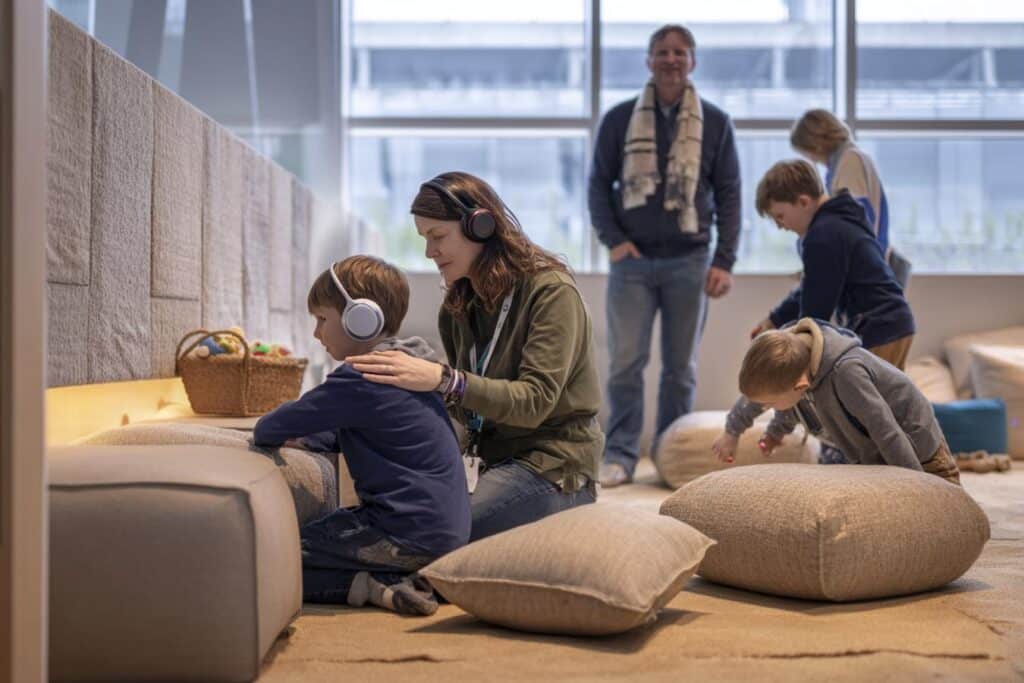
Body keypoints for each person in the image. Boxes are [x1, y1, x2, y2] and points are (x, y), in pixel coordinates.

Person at [346, 171, 602, 542]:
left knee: (433, 531)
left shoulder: (551, 293)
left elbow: (534, 401)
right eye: (424, 239)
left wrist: (444, 379)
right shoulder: (457, 307)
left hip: (552, 466)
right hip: (491, 463)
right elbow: (467, 408)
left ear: (480, 226)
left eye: (438, 237)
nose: (429, 252)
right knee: (394, 512)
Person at [252, 255, 471, 616]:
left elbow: (270, 428)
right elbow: (361, 431)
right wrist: (312, 440)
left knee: (271, 559)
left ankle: (373, 586)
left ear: (361, 320)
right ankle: (400, 583)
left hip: (400, 530)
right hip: (442, 533)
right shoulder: (411, 368)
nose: (316, 332)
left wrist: (290, 432)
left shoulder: (361, 376)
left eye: (322, 319)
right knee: (321, 539)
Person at [588, 23, 741, 488]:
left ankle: (672, 457)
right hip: (631, 263)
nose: (671, 60)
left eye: (680, 52)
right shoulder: (618, 119)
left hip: (690, 261)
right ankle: (619, 455)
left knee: (680, 369)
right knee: (625, 364)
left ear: (692, 61)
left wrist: (724, 260)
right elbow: (598, 185)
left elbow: (730, 194)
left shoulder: (715, 122)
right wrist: (613, 240)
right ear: (649, 61)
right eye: (662, 52)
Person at [711, 318, 960, 486]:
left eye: (771, 405)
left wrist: (915, 486)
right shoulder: (793, 362)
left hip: (916, 449)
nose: (770, 409)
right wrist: (736, 432)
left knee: (948, 518)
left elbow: (886, 431)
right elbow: (781, 401)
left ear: (801, 385)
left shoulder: (847, 373)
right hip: (869, 454)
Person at [749, 159, 915, 371]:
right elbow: (814, 286)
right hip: (893, 322)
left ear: (803, 202)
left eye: (780, 217)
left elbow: (816, 310)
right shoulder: (839, 220)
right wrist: (776, 319)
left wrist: (793, 347)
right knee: (883, 399)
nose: (781, 227)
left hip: (879, 327)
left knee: (866, 401)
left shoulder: (823, 236)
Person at [790, 108, 910, 287]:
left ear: (816, 145)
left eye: (807, 152)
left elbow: (853, 218)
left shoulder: (850, 161)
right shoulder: (848, 161)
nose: (811, 159)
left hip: (865, 267)